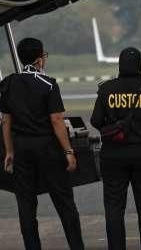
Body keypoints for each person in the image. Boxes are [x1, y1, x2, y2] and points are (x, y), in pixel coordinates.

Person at [0, 37, 85, 250]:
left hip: (21, 149)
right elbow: (56, 120)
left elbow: (6, 121)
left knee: (26, 205)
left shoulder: (9, 83)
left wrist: (9, 151)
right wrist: (68, 150)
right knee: (64, 202)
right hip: (47, 148)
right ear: (39, 59)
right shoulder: (48, 84)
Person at [90, 47, 141, 250]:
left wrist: (114, 127)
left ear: (119, 65)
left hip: (114, 155)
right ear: (140, 65)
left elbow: (96, 120)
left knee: (114, 208)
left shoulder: (106, 89)